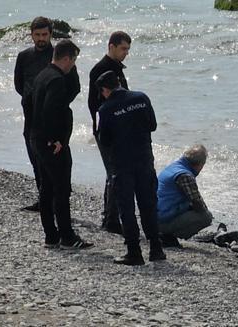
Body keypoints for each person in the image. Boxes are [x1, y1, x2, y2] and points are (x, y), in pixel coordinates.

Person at [96, 70, 165, 265]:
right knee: (148, 204)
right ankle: (156, 248)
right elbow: (152, 125)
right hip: (144, 160)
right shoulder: (141, 98)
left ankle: (134, 251)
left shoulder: (106, 109)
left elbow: (105, 139)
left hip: (122, 164)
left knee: (127, 207)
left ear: (104, 90)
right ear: (119, 82)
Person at [30, 39, 92, 249]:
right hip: (51, 143)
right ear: (66, 59)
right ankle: (67, 235)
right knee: (61, 188)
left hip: (37, 138)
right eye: (73, 62)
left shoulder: (42, 75)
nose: (73, 65)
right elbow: (51, 111)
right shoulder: (56, 80)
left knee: (46, 188)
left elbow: (30, 104)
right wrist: (55, 139)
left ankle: (51, 235)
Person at [14, 16, 80, 211]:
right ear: (31, 35)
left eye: (44, 34)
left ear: (51, 34)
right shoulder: (24, 57)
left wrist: (55, 103)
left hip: (54, 117)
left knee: (57, 160)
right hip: (31, 117)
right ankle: (43, 197)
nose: (41, 38)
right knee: (36, 157)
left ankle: (57, 200)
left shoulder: (59, 56)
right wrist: (33, 99)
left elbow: (74, 87)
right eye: (37, 35)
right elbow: (18, 84)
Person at [88, 31, 132, 234]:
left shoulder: (117, 69)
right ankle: (111, 219)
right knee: (115, 173)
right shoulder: (101, 69)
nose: (126, 53)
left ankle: (110, 217)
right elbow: (95, 104)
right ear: (111, 46)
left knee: (115, 172)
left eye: (128, 49)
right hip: (108, 130)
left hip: (119, 129)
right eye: (123, 48)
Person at [156, 144, 214, 248]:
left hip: (153, 214)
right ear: (200, 164)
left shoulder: (174, 166)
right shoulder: (185, 175)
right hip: (161, 220)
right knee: (206, 217)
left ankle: (164, 234)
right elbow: (198, 204)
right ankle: (167, 237)